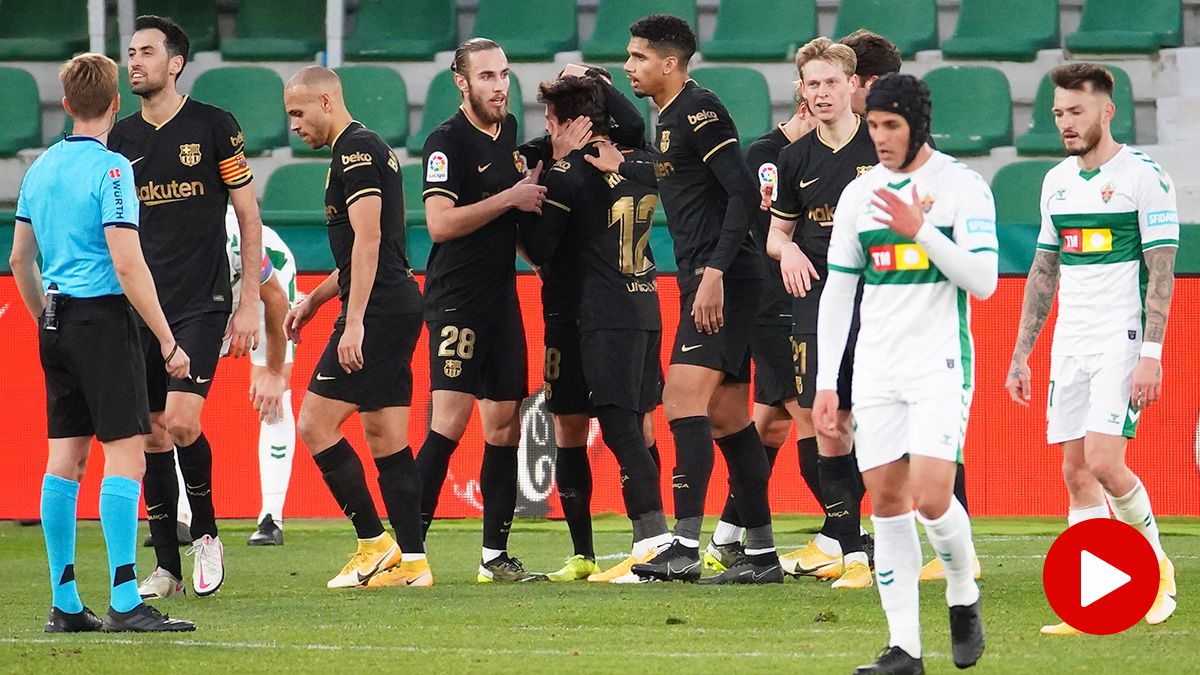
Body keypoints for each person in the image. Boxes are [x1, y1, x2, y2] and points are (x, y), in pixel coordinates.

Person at [589, 14, 780, 584]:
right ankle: (763, 554)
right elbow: (681, 178)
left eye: (638, 57)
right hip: (712, 274)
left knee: (679, 399)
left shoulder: (701, 110)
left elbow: (743, 191)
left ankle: (683, 546)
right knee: (727, 417)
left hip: (723, 275)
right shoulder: (671, 119)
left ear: (670, 63)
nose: (629, 67)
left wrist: (717, 271)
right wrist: (625, 164)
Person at [814, 74, 993, 673]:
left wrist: (922, 233)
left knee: (934, 499)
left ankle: (963, 591)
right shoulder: (859, 197)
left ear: (918, 124)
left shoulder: (962, 187)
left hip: (938, 364)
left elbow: (984, 281)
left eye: (891, 125)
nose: (881, 137)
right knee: (886, 504)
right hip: (875, 371)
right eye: (873, 126)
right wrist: (826, 382)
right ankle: (904, 649)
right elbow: (839, 291)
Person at [12, 52, 195, 632]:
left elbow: (20, 258)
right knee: (127, 452)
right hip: (102, 320)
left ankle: (64, 603)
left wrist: (46, 315)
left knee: (63, 460)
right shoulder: (114, 169)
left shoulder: (38, 170)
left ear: (66, 105)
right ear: (115, 104)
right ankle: (123, 599)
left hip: (56, 321)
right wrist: (167, 338)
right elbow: (127, 259)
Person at [1006, 63, 1178, 635]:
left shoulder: (1144, 177)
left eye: (1075, 111)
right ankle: (1094, 599)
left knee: (1105, 462)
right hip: (1070, 343)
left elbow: (1161, 271)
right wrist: (1022, 351)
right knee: (1075, 471)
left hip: (1122, 339)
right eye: (1058, 113)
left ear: (1107, 110)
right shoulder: (1055, 180)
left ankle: (1154, 572)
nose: (1065, 123)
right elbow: (1044, 267)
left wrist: (1152, 351)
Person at [109, 14, 265, 599]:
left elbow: (248, 217)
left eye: (146, 51)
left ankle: (206, 535)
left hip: (203, 302)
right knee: (150, 433)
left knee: (180, 421)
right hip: (142, 308)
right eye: (130, 52)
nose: (135, 61)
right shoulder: (119, 139)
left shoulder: (214, 126)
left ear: (176, 63)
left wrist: (247, 303)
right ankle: (167, 568)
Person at [283, 66, 430, 589]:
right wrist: (317, 301)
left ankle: (373, 542)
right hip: (392, 301)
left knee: (315, 424)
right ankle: (413, 564)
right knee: (386, 436)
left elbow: (369, 242)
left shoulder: (356, 151)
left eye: (298, 113)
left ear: (326, 101)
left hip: (380, 308)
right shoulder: (361, 148)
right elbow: (367, 251)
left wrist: (355, 322)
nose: (293, 126)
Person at [523, 75, 674, 584]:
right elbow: (636, 130)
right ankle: (628, 547)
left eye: (551, 118)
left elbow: (540, 248)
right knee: (625, 422)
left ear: (571, 123)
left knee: (619, 426)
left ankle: (653, 544)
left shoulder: (568, 174)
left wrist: (527, 192)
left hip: (599, 314)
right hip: (643, 304)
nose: (545, 127)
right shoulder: (636, 159)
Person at [416, 38, 548, 583]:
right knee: (449, 420)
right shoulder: (445, 141)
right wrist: (510, 200)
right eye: (488, 76)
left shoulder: (510, 132)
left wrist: (535, 259)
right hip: (456, 298)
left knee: (503, 425)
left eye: (505, 74)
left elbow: (508, 215)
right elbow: (440, 224)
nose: (500, 86)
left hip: (501, 298)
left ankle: (494, 556)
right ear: (461, 82)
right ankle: (404, 549)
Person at [764, 37, 880, 589]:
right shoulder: (794, 158)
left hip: (879, 302)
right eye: (813, 84)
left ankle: (894, 540)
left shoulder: (882, 146)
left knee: (880, 423)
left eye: (832, 82)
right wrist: (786, 249)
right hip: (816, 305)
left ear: (852, 85)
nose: (823, 93)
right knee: (828, 422)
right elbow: (776, 234)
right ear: (802, 91)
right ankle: (854, 551)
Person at [703, 92, 816, 573]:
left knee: (771, 425)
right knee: (814, 420)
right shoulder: (767, 156)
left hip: (797, 302)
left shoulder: (815, 155)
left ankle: (726, 539)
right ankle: (848, 532)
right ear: (806, 105)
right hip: (773, 307)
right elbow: (770, 231)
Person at [220, 209, 297, 546]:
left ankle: (271, 518)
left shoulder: (235, 237)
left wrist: (275, 372)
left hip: (264, 288)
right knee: (168, 399)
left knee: (272, 398)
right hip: (199, 298)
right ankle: (180, 515)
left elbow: (276, 297)